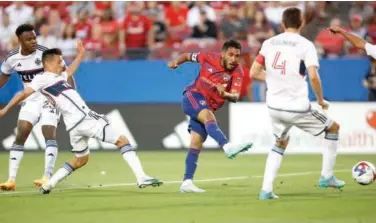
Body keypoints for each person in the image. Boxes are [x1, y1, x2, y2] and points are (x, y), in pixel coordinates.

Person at [0, 48, 163, 194]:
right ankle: (141, 177)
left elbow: (70, 71)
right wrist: (6, 109)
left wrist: (80, 55)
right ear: (49, 63)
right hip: (85, 119)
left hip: (73, 127)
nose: (63, 63)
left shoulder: (59, 76)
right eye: (59, 60)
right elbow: (23, 94)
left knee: (81, 159)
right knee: (123, 141)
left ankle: (49, 184)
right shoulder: (41, 79)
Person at [250, 7, 344, 200]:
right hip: (296, 107)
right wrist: (320, 100)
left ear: (282, 23)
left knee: (280, 142)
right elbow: (313, 77)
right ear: (302, 23)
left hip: (274, 107)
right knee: (333, 128)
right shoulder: (305, 45)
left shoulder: (269, 43)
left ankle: (266, 190)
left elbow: (253, 72)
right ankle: (326, 177)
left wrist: (275, 78)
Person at [0, 24, 84, 191]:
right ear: (20, 41)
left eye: (34, 37)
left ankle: (46, 175)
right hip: (30, 99)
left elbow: (66, 73)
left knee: (48, 134)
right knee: (21, 133)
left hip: (50, 99)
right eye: (28, 39)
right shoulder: (12, 58)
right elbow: (4, 75)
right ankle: (11, 180)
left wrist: (71, 95)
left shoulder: (46, 53)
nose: (33, 41)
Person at [168, 40, 253, 193]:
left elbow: (234, 96)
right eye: (231, 55)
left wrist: (223, 93)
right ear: (223, 54)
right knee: (209, 118)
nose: (234, 59)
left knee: (196, 143)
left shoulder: (238, 72)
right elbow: (188, 56)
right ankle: (227, 147)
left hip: (207, 106)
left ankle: (187, 182)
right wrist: (176, 62)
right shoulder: (207, 57)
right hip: (192, 95)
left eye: (237, 56)